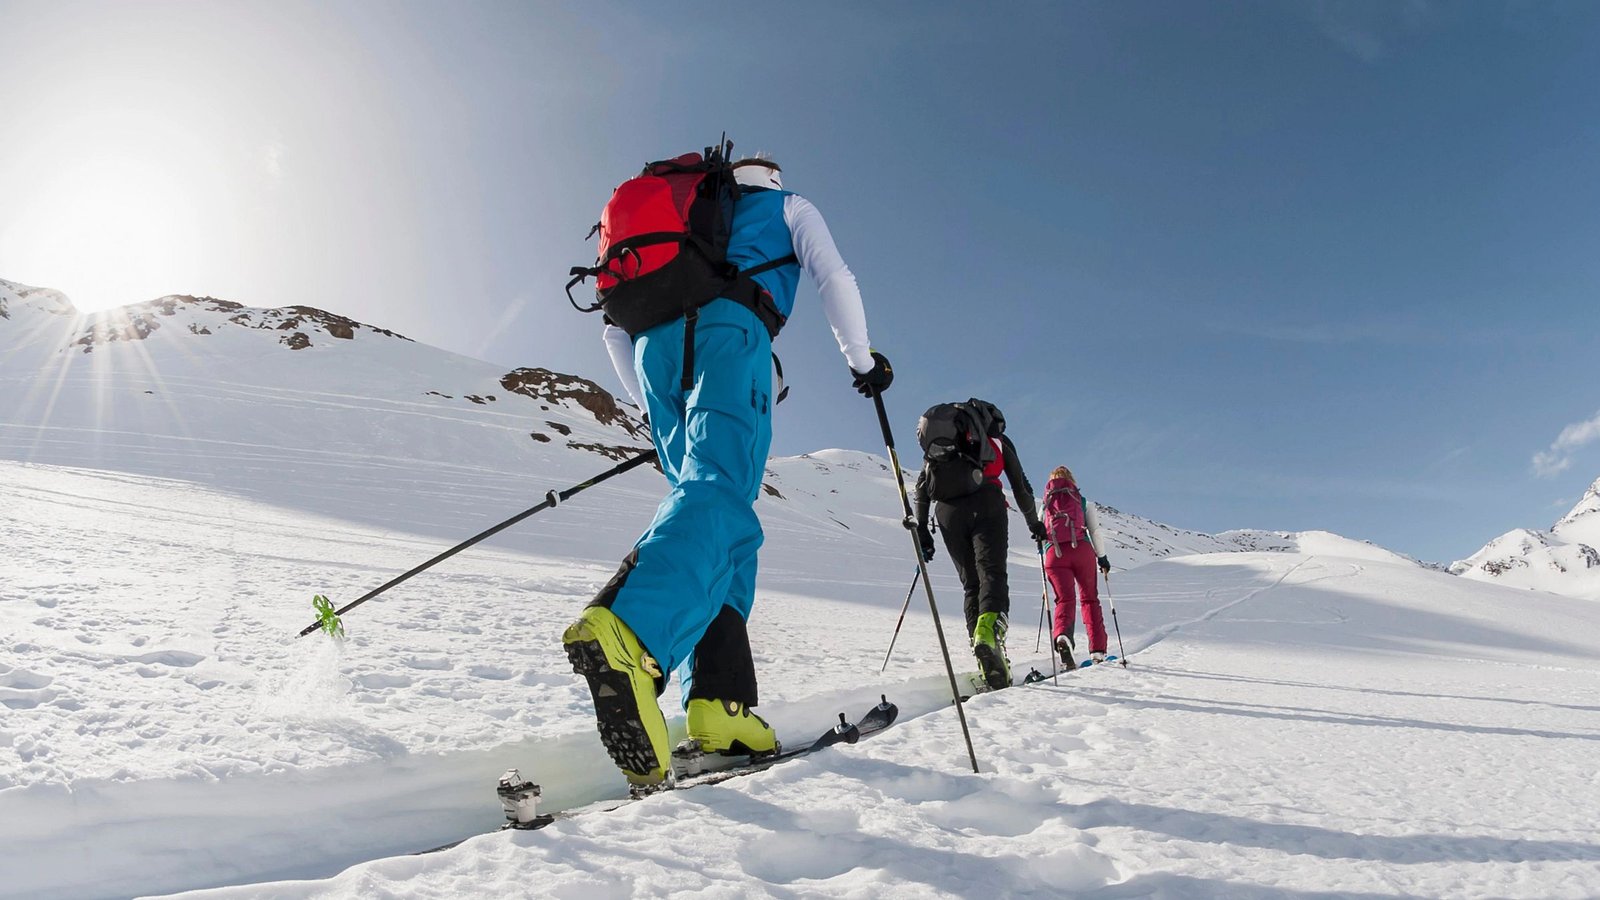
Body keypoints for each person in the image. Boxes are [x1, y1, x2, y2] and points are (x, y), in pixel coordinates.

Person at [563, 155, 892, 787]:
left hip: (652, 350)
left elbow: (613, 330)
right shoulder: (786, 204)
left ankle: (720, 704)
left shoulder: (673, 221)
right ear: (767, 174)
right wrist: (862, 361)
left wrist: (649, 405)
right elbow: (835, 276)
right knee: (719, 493)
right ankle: (632, 632)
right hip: (731, 331)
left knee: (718, 514)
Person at [912, 400, 1044, 691]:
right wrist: (1034, 523)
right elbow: (1020, 486)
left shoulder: (943, 449)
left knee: (971, 585)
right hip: (987, 502)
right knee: (992, 573)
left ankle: (985, 659)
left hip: (946, 513)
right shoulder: (995, 440)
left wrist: (922, 529)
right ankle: (989, 634)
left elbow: (922, 488)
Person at [1039, 465, 1112, 666]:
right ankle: (1097, 650)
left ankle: (1063, 636)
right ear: (1072, 480)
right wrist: (1102, 558)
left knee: (1064, 600)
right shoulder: (1082, 501)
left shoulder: (1045, 503)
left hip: (1054, 554)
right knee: (1089, 599)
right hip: (1082, 550)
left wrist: (1043, 556)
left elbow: (1039, 533)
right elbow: (1094, 531)